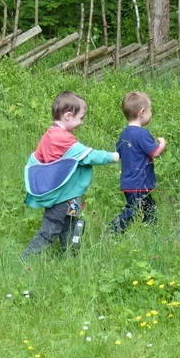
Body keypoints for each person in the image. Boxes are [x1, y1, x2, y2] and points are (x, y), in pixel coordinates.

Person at [22, 91, 119, 258]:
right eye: (81, 118)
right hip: (61, 197)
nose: (81, 122)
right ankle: (27, 258)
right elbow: (88, 156)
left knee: (71, 225)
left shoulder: (51, 133)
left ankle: (70, 256)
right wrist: (113, 156)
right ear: (68, 115)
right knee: (51, 228)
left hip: (70, 196)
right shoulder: (60, 138)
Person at [109, 92, 166, 233]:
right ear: (142, 112)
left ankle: (152, 231)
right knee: (134, 210)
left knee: (149, 208)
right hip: (140, 183)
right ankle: (113, 229)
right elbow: (156, 152)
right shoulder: (142, 133)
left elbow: (120, 154)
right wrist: (163, 143)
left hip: (129, 181)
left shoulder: (124, 134)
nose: (151, 113)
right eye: (150, 110)